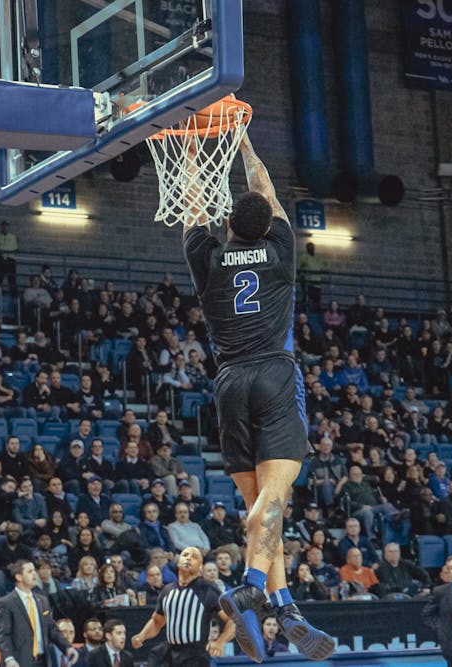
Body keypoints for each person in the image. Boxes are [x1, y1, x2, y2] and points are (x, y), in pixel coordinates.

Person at [181, 130, 334, 661]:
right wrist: (243, 147)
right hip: (273, 375)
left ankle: (284, 604)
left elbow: (195, 206)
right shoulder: (281, 249)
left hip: (228, 382)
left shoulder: (205, 254)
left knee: (262, 508)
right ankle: (248, 586)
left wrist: (195, 158)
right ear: (267, 224)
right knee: (273, 502)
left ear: (228, 226)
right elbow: (263, 189)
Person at [130, 547, 236, 667]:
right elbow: (157, 621)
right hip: (171, 654)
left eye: (194, 557)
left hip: (196, 656)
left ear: (200, 567)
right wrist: (142, 635)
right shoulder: (167, 590)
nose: (188, 558)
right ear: (178, 562)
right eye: (185, 555)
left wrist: (221, 641)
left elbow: (234, 619)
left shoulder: (208, 590)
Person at [0, 559, 80, 667]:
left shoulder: (43, 600)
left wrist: (67, 647)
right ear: (19, 577)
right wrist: (9, 658)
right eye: (30, 571)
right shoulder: (6, 603)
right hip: (19, 662)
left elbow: (51, 628)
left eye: (34, 570)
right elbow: (3, 635)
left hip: (43, 661)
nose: (35, 574)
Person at [0, 220, 19, 299]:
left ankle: (15, 297)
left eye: (6, 226)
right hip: (0, 259)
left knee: (12, 279)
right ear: (1, 227)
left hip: (10, 259)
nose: (5, 227)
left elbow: (16, 249)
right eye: (3, 226)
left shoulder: (13, 237)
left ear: (8, 227)